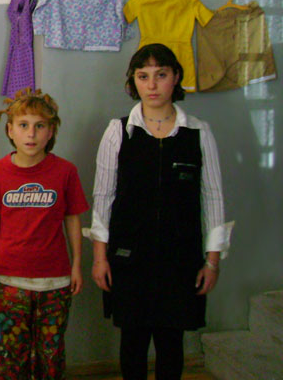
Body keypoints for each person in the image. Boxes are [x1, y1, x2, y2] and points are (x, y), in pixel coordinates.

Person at [91, 43, 229, 380]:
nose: (152, 85)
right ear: (133, 81)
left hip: (179, 259)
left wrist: (212, 261)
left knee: (171, 342)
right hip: (128, 258)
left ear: (175, 77)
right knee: (132, 342)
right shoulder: (118, 131)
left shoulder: (198, 132)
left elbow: (213, 199)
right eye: (143, 76)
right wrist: (99, 258)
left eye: (161, 75)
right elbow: (103, 198)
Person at [0, 88, 89, 379]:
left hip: (56, 280)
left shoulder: (65, 172)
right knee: (11, 354)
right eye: (23, 125)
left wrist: (76, 264)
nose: (31, 134)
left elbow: (72, 219)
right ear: (10, 130)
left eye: (39, 126)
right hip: (9, 279)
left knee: (51, 354)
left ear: (51, 132)